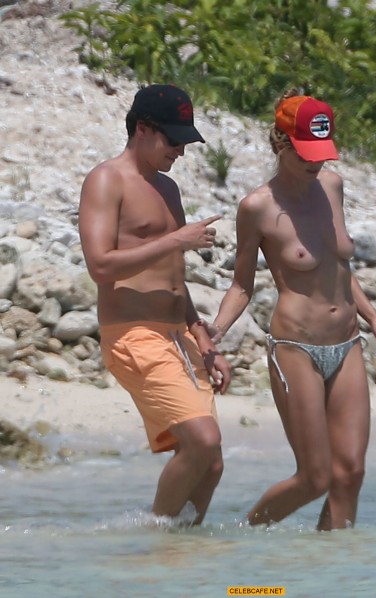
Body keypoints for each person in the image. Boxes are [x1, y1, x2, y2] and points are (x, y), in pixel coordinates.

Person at [210, 89, 376, 531]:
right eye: (305, 153)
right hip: (296, 348)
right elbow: (242, 285)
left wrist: (374, 318)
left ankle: (332, 565)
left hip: (348, 343)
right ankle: (243, 540)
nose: (316, 163)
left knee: (350, 474)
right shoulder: (257, 207)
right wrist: (213, 332)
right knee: (315, 478)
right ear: (281, 142)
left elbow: (338, 265)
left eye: (322, 153)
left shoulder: (332, 186)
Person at [78, 83, 231, 525]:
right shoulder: (106, 180)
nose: (180, 151)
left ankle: (180, 556)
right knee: (202, 441)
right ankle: (157, 535)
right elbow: (100, 266)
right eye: (173, 140)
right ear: (142, 129)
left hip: (180, 337)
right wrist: (177, 240)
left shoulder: (168, 188)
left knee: (211, 462)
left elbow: (173, 277)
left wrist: (202, 338)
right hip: (134, 334)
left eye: (185, 142)